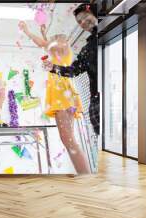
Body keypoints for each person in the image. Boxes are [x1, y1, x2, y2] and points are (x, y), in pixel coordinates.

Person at [19, 22, 91, 174]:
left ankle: (86, 177)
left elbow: (43, 44)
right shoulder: (59, 53)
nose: (50, 42)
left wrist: (27, 31)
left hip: (63, 97)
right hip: (63, 97)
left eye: (53, 39)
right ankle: (85, 175)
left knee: (69, 141)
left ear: (62, 41)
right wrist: (44, 33)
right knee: (69, 140)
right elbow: (47, 46)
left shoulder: (62, 48)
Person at [44, 3, 99, 136]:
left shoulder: (109, 33)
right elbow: (74, 70)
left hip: (113, 94)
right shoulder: (87, 49)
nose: (83, 22)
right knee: (101, 136)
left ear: (95, 13)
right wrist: (54, 67)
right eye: (79, 21)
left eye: (85, 17)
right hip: (96, 99)